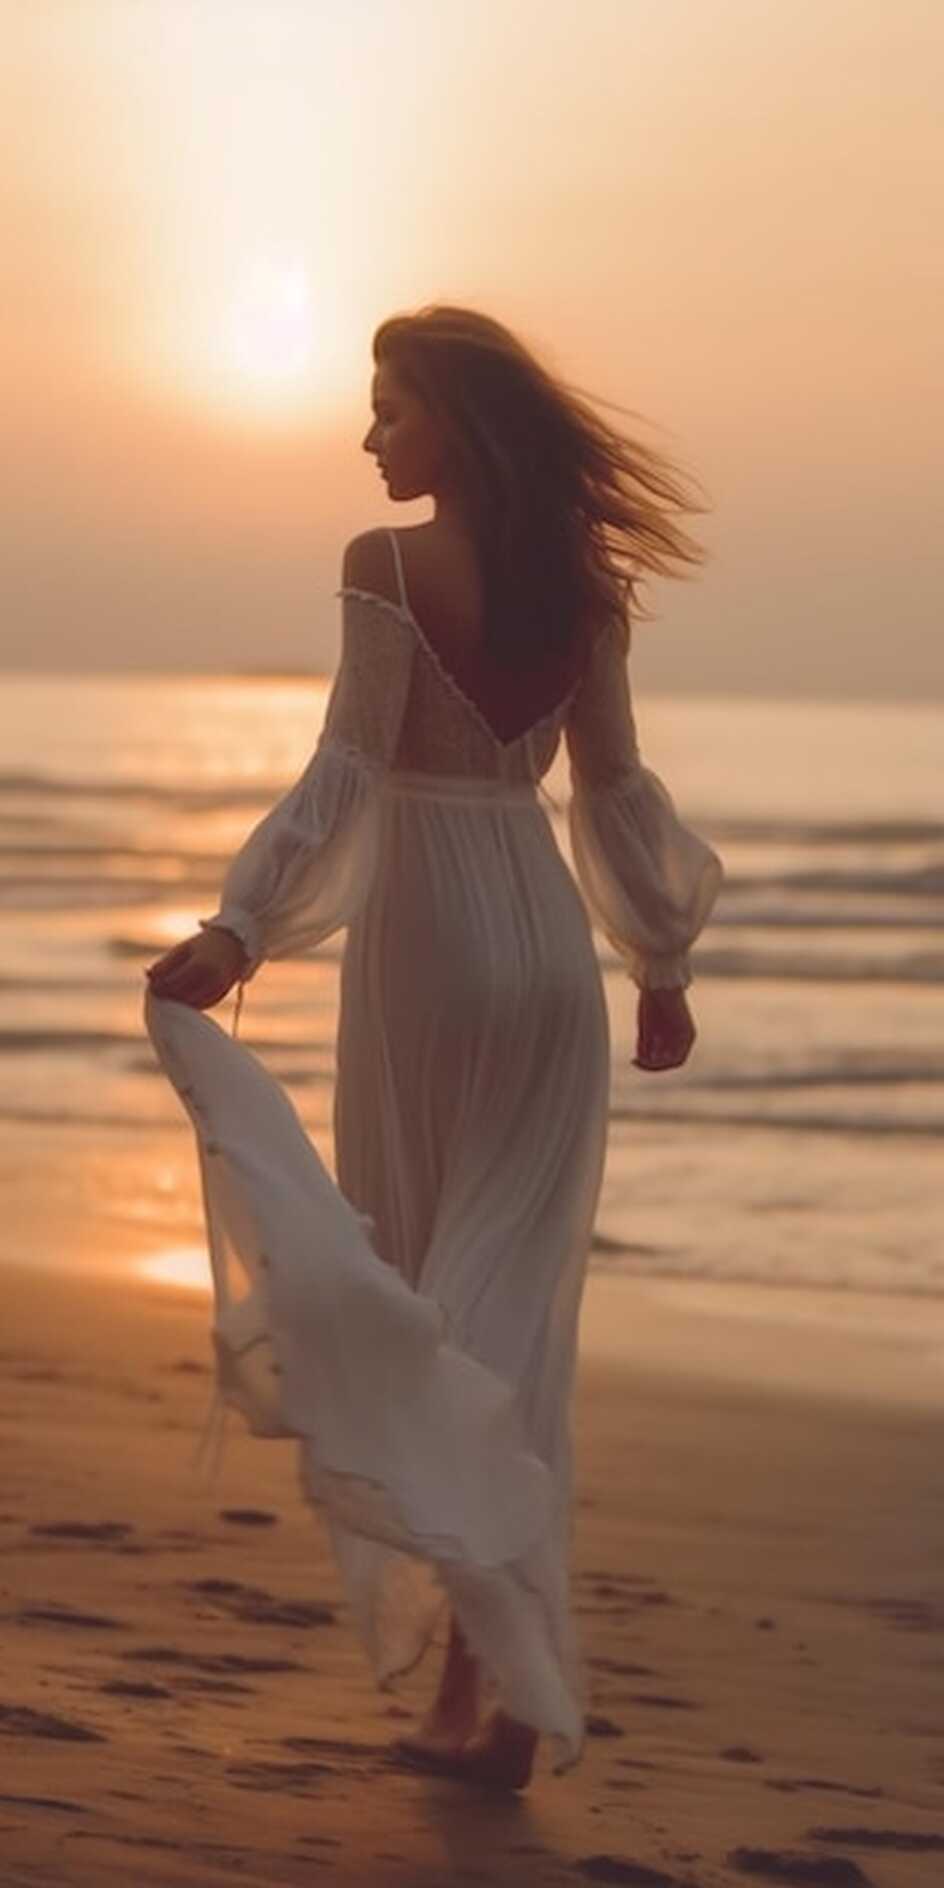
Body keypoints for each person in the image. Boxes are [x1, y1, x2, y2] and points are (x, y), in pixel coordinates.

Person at [144, 304, 724, 1792]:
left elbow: (349, 762)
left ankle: (497, 1686)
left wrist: (239, 927)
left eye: (390, 408)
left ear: (452, 425)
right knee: (510, 1337)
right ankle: (495, 1698)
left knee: (429, 1317)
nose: (370, 436)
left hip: (427, 959)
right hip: (544, 962)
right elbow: (612, 792)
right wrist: (657, 960)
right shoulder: (583, 587)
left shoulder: (384, 565)